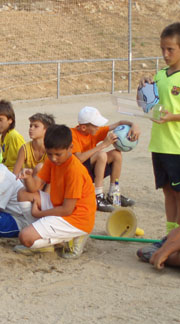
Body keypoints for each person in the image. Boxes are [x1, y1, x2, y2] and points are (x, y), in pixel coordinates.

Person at [14, 124, 96, 259]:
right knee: (23, 193)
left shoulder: (74, 170)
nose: (53, 158)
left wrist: (39, 214)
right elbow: (34, 188)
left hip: (77, 218)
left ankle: (73, 236)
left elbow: (67, 210)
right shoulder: (52, 161)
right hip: (59, 206)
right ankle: (45, 239)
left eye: (58, 154)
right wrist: (28, 178)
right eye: (50, 154)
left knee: (25, 237)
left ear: (70, 148)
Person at [137, 22, 180, 262]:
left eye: (170, 49)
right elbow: (147, 106)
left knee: (179, 194)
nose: (165, 54)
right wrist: (143, 89)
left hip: (177, 147)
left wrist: (172, 117)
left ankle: (176, 241)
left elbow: (172, 113)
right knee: (168, 193)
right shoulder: (160, 75)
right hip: (159, 145)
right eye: (162, 49)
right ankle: (168, 236)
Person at [71, 106, 139, 212]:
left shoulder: (93, 131)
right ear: (84, 127)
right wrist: (103, 145)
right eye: (96, 125)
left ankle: (113, 194)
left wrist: (134, 125)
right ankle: (98, 196)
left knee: (116, 154)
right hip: (78, 172)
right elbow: (78, 159)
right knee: (101, 154)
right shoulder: (72, 134)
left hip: (90, 168)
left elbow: (120, 123)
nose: (99, 128)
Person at [12, 113, 55, 177]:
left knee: (40, 167)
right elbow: (15, 174)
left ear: (46, 130)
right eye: (30, 126)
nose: (31, 129)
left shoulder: (51, 149)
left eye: (36, 126)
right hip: (29, 182)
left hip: (46, 182)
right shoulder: (25, 149)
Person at [0, 99, 25, 172]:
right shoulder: (4, 136)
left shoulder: (14, 136)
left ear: (10, 120)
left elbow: (23, 161)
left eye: (1, 120)